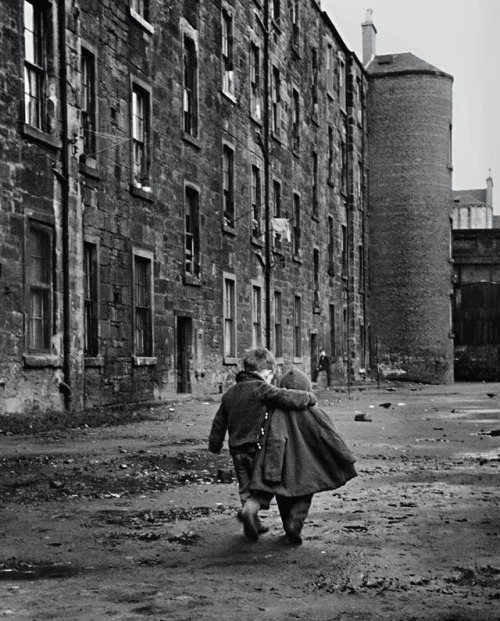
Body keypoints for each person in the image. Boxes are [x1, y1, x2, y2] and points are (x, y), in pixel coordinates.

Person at [208, 348, 317, 541]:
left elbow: (219, 422)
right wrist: (308, 398)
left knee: (246, 488)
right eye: (269, 375)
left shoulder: (230, 394)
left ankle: (252, 521)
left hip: (236, 451)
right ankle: (253, 514)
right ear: (265, 372)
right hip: (258, 448)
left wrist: (215, 444)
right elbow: (285, 396)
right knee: (263, 488)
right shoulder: (261, 388)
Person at [249, 367, 357, 544]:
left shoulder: (276, 412)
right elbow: (329, 435)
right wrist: (344, 456)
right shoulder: (314, 412)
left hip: (283, 464)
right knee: (304, 497)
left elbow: (267, 435)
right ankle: (295, 524)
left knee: (283, 494)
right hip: (308, 465)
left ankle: (286, 524)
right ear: (307, 388)